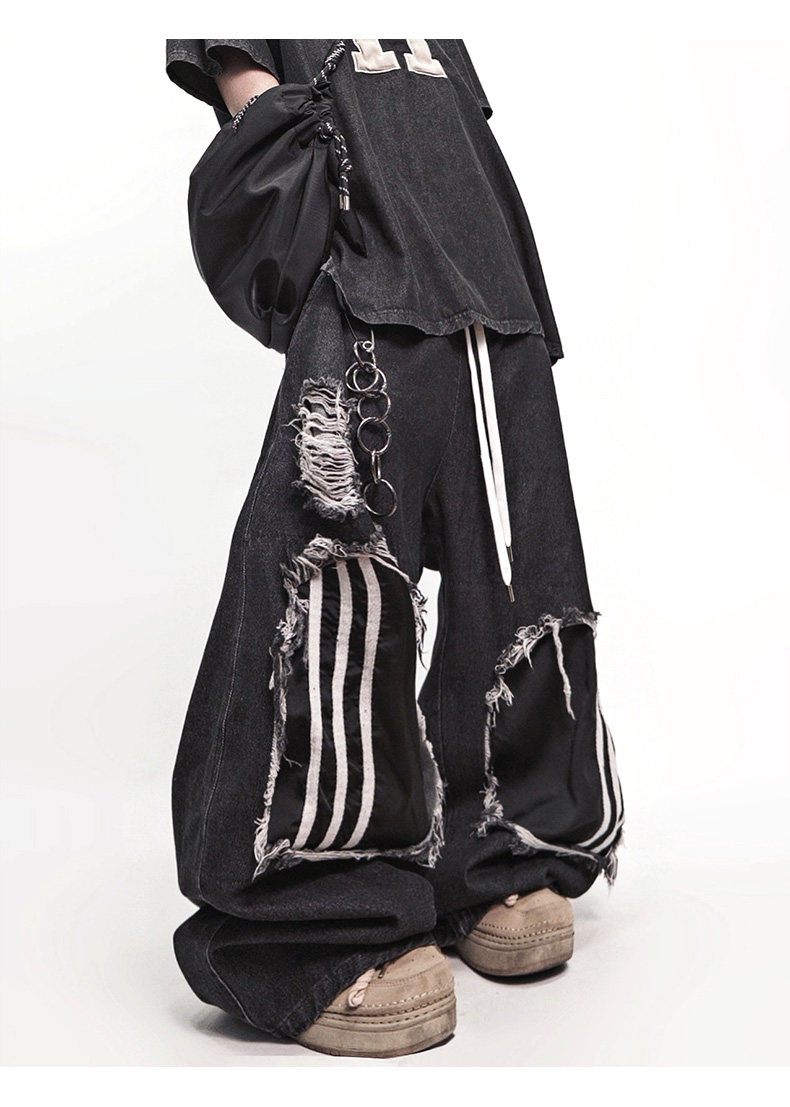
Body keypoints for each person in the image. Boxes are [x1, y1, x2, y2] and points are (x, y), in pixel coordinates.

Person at [165, 38, 624, 1059]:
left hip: (489, 280)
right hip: (366, 267)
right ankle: (314, 917)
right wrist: (323, 250)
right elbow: (252, 128)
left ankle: (493, 853)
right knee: (329, 585)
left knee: (519, 582)